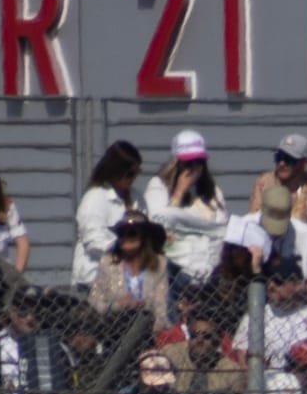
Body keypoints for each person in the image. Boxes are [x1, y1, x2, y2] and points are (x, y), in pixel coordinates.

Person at [145, 130, 229, 283]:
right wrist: (179, 193)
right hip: (175, 272)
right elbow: (158, 224)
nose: (194, 169)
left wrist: (180, 221)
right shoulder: (158, 186)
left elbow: (222, 230)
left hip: (209, 271)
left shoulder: (212, 192)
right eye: (188, 163)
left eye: (199, 162)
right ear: (176, 163)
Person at [71, 141, 143, 290]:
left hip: (132, 281)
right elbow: (93, 241)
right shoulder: (95, 197)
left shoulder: (138, 197)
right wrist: (123, 249)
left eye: (136, 173)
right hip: (95, 282)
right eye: (129, 174)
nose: (133, 178)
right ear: (115, 171)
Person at [87, 214, 170, 324]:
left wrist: (158, 325)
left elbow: (161, 305)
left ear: (144, 236)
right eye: (122, 233)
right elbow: (95, 302)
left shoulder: (159, 263)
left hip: (147, 326)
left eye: (132, 233)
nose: (126, 237)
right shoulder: (107, 262)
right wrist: (118, 305)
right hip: (113, 326)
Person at [249, 130, 307, 227]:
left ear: (304, 164)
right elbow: (254, 219)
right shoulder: (264, 182)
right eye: (279, 157)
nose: (281, 163)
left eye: (288, 160)